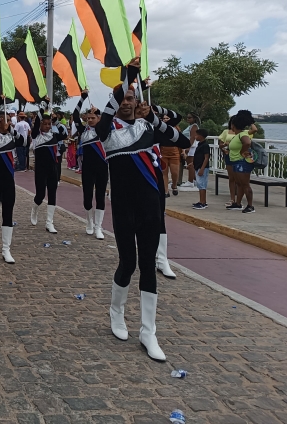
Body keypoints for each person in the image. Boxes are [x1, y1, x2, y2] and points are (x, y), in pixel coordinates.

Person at [96, 59, 189, 362]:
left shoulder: (148, 127)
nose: (126, 102)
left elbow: (183, 139)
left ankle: (148, 331)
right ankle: (116, 312)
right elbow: (106, 113)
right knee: (128, 262)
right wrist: (129, 77)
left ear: (137, 102)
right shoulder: (106, 130)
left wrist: (157, 119)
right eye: (122, 97)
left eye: (131, 98)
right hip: (123, 207)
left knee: (148, 265)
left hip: (150, 206)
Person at [0, 99, 29, 263]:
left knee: (8, 214)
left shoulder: (12, 136)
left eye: (8, 119)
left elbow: (24, 142)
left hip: (9, 181)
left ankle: (5, 249)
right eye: (3, 119)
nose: (6, 122)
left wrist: (12, 129)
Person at [72, 91, 106, 239]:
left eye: (93, 118)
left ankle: (99, 226)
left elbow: (107, 119)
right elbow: (75, 115)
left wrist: (98, 111)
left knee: (100, 196)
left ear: (98, 118)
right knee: (87, 196)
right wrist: (82, 98)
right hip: (87, 168)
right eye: (89, 118)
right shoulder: (83, 130)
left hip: (102, 167)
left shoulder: (103, 130)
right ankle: (89, 222)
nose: (91, 120)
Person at [30, 101, 67, 234]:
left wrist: (55, 121)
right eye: (44, 124)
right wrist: (44, 105)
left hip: (53, 169)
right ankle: (34, 209)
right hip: (40, 170)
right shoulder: (36, 136)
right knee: (40, 194)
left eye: (48, 124)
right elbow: (37, 122)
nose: (46, 126)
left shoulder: (54, 136)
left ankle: (49, 222)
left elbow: (65, 134)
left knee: (52, 194)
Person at [228, 110, 256, 214]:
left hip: (242, 162)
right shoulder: (238, 135)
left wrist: (242, 152)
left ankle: (250, 205)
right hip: (235, 162)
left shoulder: (242, 134)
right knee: (239, 184)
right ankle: (238, 203)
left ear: (234, 125)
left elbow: (247, 142)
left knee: (245, 184)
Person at [179, 113, 200, 190]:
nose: (188, 119)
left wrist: (188, 147)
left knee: (190, 164)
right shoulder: (190, 126)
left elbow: (192, 137)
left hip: (191, 147)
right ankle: (194, 180)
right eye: (187, 117)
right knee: (190, 164)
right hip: (191, 147)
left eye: (190, 117)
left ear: (194, 118)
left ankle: (190, 181)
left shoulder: (194, 126)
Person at [192, 128, 210, 209]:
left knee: (202, 185)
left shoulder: (205, 145)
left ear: (201, 136)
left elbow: (206, 158)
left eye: (196, 135)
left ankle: (203, 202)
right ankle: (201, 201)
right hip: (198, 166)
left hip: (202, 167)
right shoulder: (199, 144)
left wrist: (202, 168)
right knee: (200, 184)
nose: (195, 136)